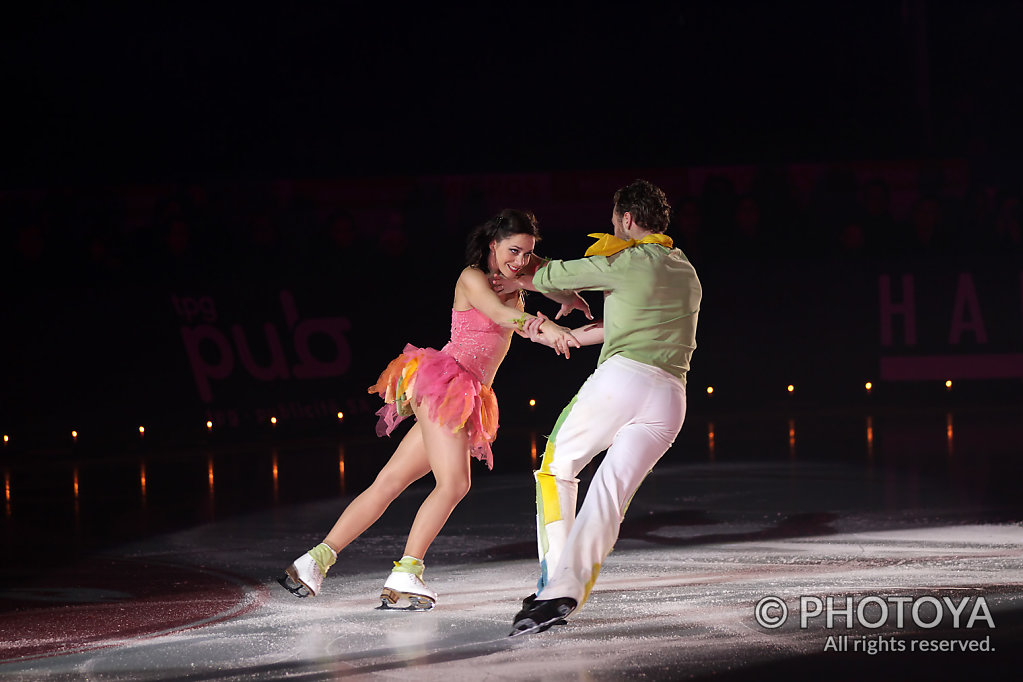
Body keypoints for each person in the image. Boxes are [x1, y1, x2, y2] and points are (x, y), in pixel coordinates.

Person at [279, 209, 584, 610]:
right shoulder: (472, 278)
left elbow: (551, 282)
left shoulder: (520, 274)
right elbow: (500, 314)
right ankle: (407, 572)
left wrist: (574, 303)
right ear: (493, 244)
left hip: (462, 390)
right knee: (455, 483)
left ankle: (312, 562)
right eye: (513, 251)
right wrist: (545, 325)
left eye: (527, 254)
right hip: (447, 382)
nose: (520, 260)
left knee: (388, 483)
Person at [494, 179, 702, 635]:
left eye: (614, 219)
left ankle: (553, 581)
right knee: (608, 495)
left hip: (624, 381)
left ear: (627, 220)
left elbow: (545, 275)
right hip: (670, 400)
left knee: (556, 469)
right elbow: (624, 324)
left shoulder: (626, 260)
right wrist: (568, 337)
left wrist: (505, 261)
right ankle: (563, 594)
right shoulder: (685, 269)